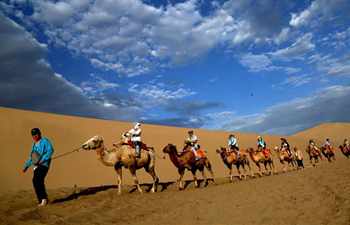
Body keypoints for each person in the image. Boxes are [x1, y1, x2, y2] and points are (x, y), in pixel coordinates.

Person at [23, 128, 54, 207]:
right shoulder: (34, 145)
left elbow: (50, 150)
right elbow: (32, 157)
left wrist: (43, 159)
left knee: (38, 179)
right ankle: (41, 199)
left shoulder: (45, 141)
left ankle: (44, 199)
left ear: (39, 134)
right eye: (33, 135)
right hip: (36, 166)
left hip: (44, 165)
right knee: (35, 181)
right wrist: (26, 165)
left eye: (36, 134)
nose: (35, 136)